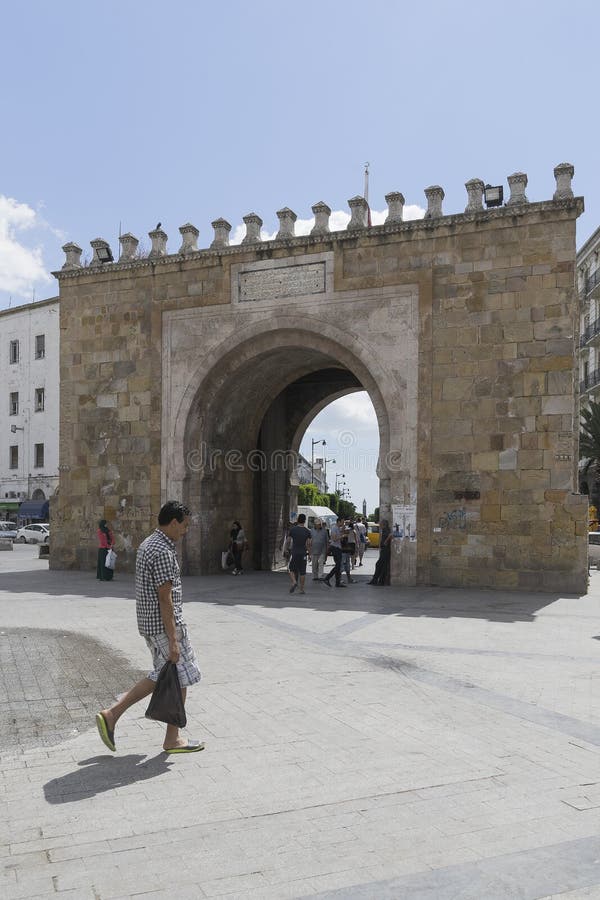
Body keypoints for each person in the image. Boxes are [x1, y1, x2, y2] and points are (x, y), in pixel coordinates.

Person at [95, 501, 204, 754]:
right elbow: (165, 597)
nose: (185, 531)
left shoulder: (149, 543)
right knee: (167, 674)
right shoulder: (163, 550)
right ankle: (113, 714)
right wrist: (174, 638)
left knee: (177, 676)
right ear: (174, 522)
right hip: (164, 626)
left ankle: (172, 737)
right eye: (184, 526)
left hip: (149, 623)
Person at [287, 513, 312, 594]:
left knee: (291, 569)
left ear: (298, 520)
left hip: (294, 552)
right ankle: (301, 589)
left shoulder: (293, 530)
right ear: (304, 521)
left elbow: (288, 541)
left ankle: (294, 581)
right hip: (303, 553)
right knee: (302, 572)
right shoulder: (308, 531)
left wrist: (287, 549)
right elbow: (308, 544)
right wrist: (310, 554)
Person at [368, 518, 392, 586]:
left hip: (386, 550)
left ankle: (380, 581)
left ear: (383, 524)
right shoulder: (384, 530)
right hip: (384, 550)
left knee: (381, 565)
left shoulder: (386, 530)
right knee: (380, 565)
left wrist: (386, 541)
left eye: (381, 523)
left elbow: (390, 535)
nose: (380, 524)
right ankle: (376, 580)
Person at [323, 517, 345, 588]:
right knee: (338, 565)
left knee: (338, 566)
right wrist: (342, 536)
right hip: (335, 548)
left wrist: (343, 532)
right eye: (342, 522)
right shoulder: (334, 528)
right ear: (338, 522)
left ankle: (337, 582)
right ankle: (327, 578)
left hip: (338, 548)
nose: (343, 523)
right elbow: (334, 539)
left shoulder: (338, 528)